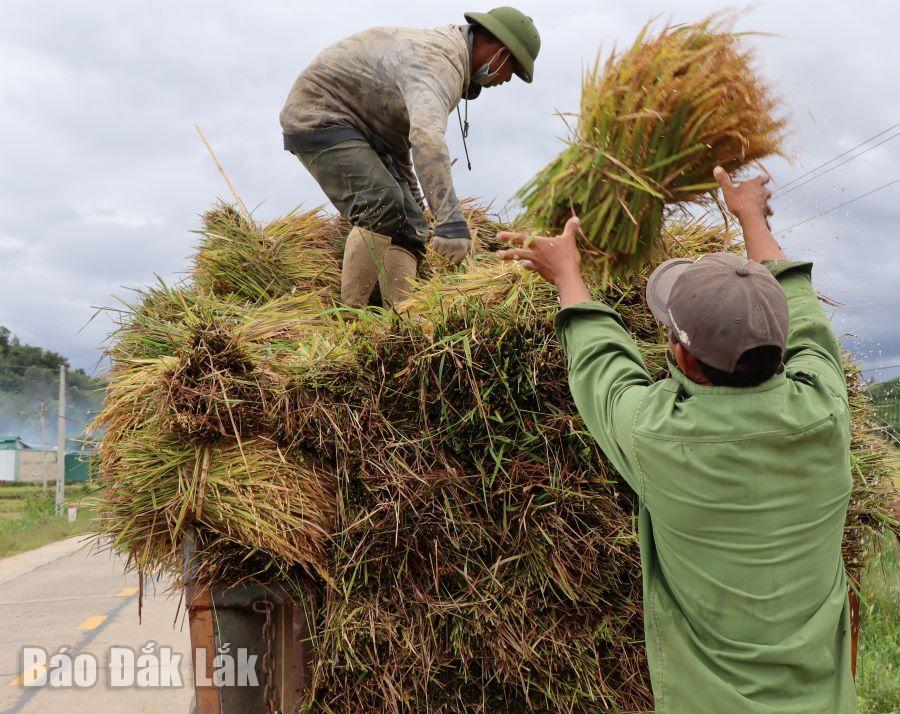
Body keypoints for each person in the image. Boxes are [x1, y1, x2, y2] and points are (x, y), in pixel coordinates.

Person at [497, 167, 855, 712]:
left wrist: (567, 274)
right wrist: (751, 216)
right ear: (782, 345)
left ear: (682, 356)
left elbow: (604, 370)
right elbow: (801, 309)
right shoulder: (826, 408)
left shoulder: (659, 436)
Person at [280, 7, 540, 307]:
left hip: (368, 132)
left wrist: (418, 204)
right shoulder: (440, 62)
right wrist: (451, 222)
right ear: (500, 51)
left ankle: (399, 324)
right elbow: (426, 139)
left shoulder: (449, 61)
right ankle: (351, 322)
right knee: (380, 202)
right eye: (513, 69)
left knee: (412, 227)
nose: (507, 79)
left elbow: (399, 139)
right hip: (321, 114)